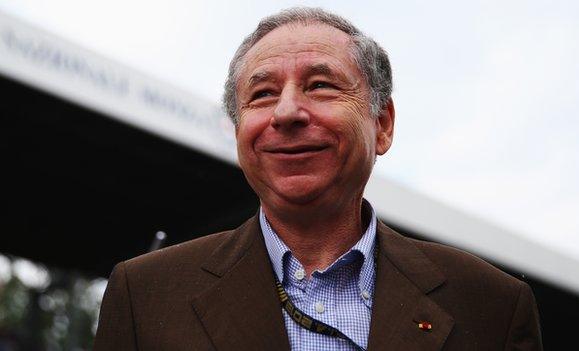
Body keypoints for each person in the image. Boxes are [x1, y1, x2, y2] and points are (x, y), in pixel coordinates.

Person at [94, 7, 542, 351]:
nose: (286, 112)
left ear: (382, 124)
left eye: (321, 85)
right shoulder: (145, 295)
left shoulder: (492, 305)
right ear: (238, 132)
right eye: (263, 93)